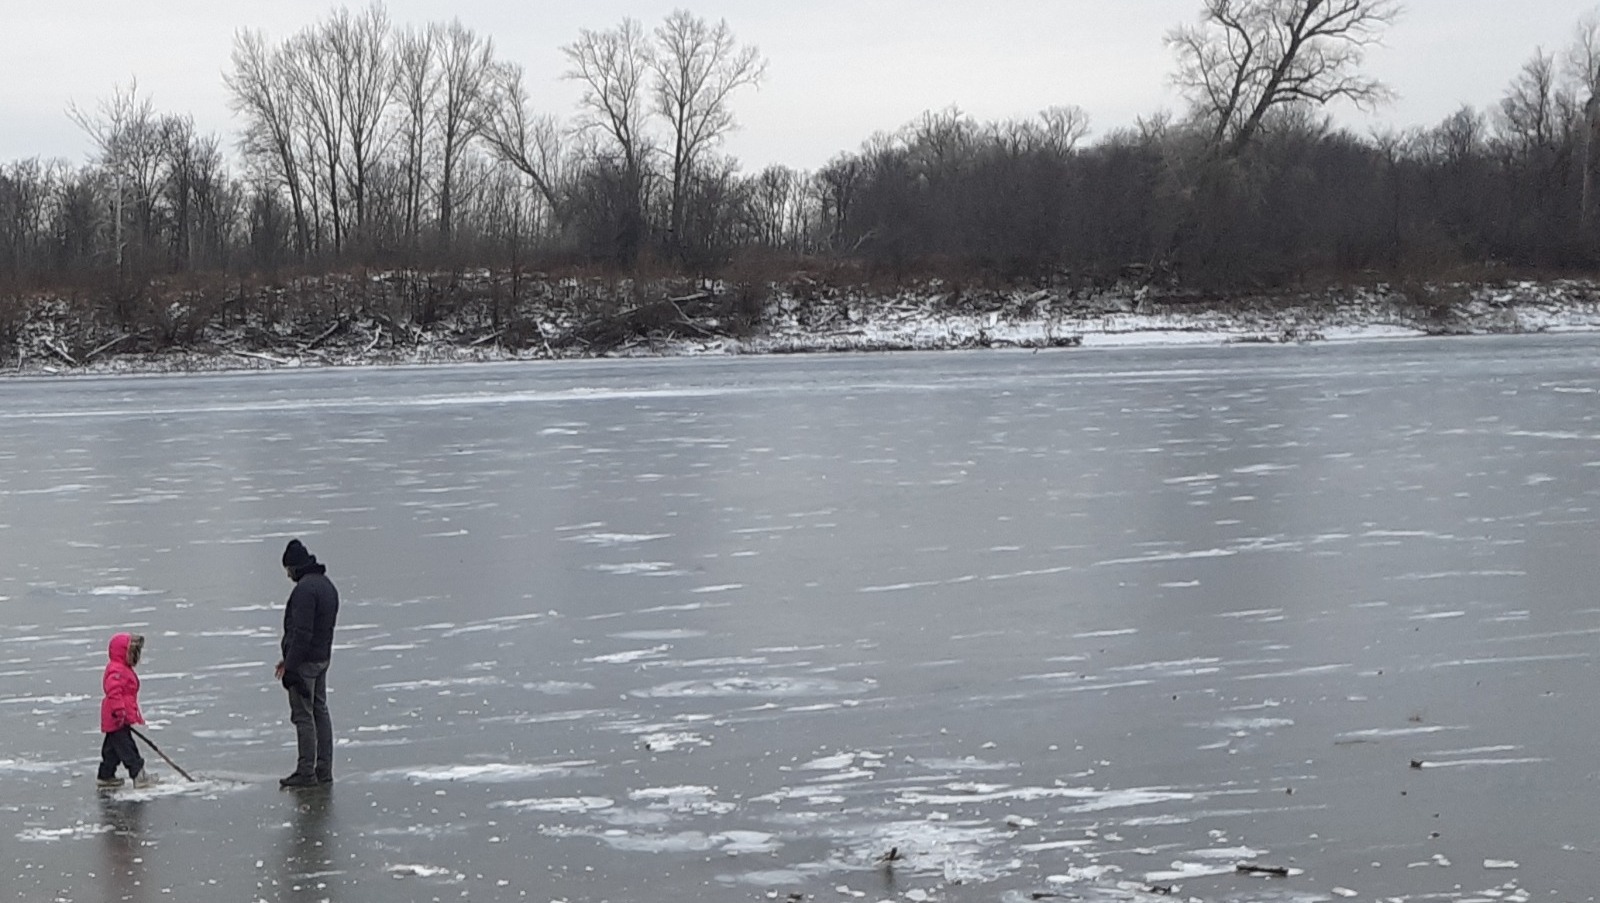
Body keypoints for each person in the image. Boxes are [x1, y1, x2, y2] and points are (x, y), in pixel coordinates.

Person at [274, 539, 340, 788]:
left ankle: (306, 772)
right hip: (322, 659)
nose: (288, 575)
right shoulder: (326, 586)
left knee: (303, 715)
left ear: (295, 567)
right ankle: (324, 769)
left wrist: (290, 666)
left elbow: (301, 633)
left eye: (288, 569)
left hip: (305, 664)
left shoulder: (304, 591)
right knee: (320, 711)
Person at [98, 633, 155, 789]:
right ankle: (138, 774)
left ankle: (106, 776)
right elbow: (113, 691)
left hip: (119, 716)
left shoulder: (124, 669)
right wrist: (120, 711)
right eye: (131, 652)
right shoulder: (116, 670)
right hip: (116, 717)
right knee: (126, 748)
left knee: (112, 750)